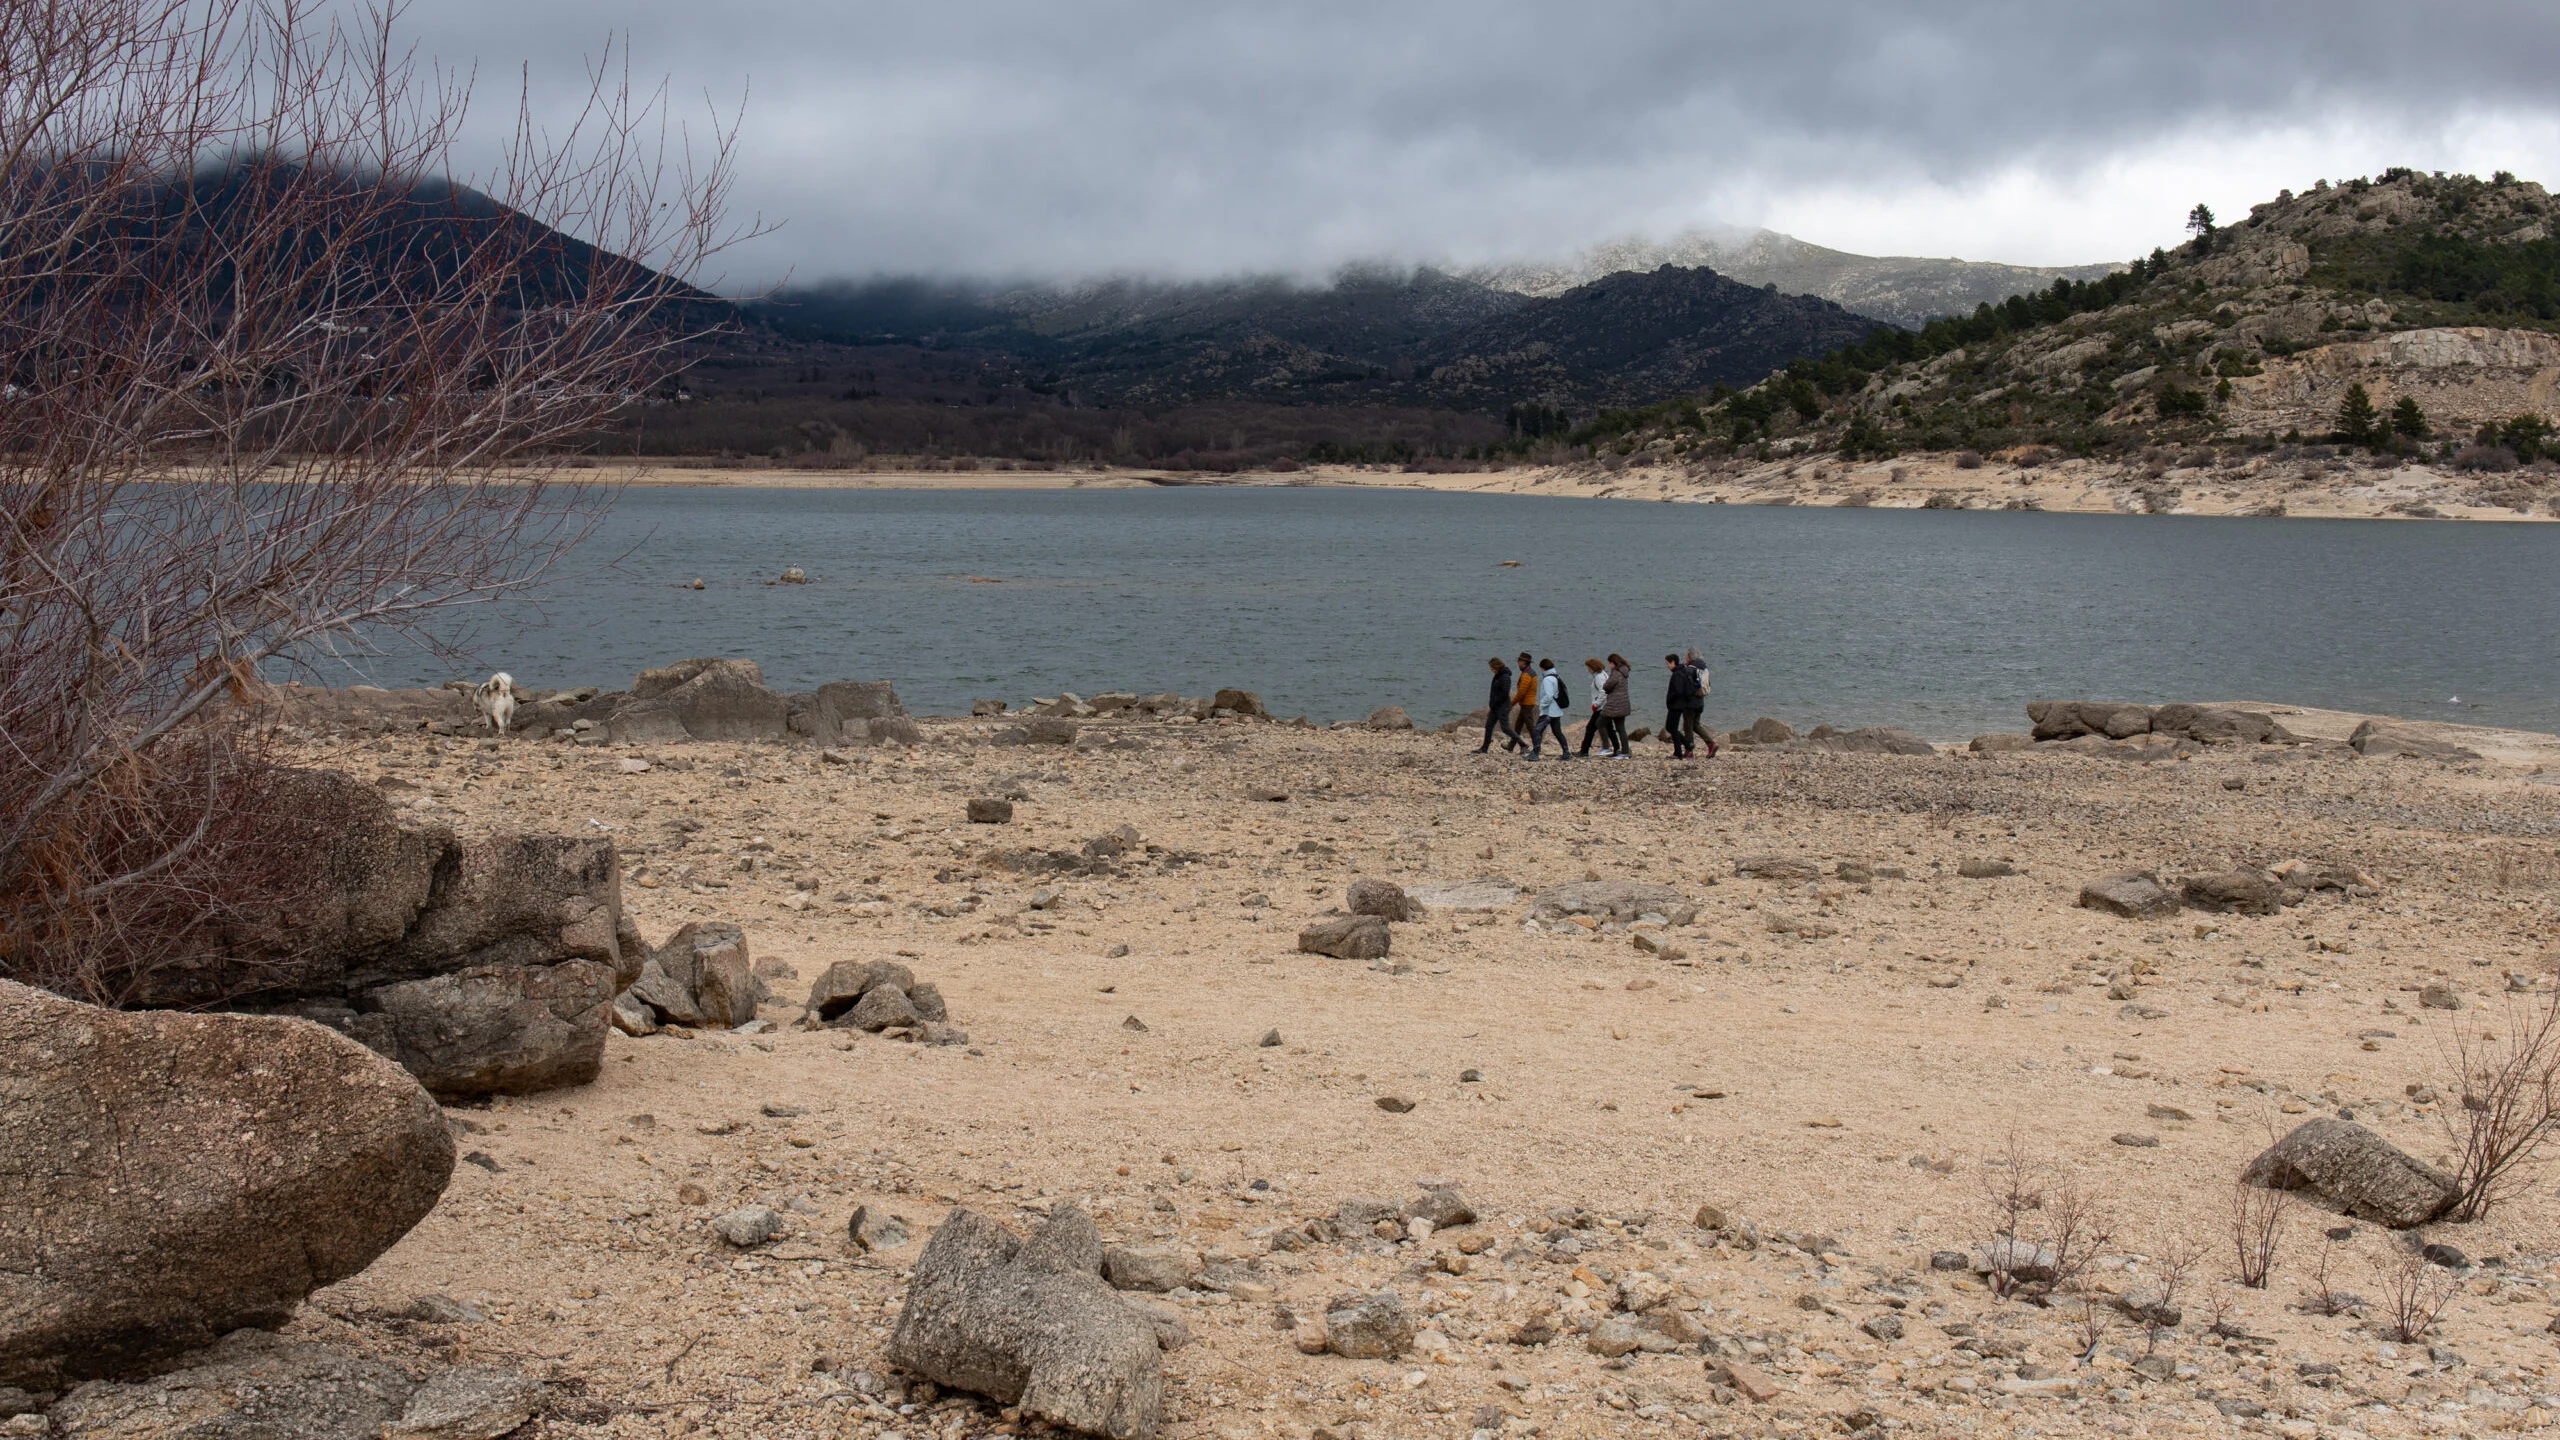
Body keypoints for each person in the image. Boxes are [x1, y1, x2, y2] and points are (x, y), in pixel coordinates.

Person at [1528, 658, 1572, 759]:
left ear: (1542, 668)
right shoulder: (1557, 677)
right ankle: (1566, 752)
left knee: (1537, 731)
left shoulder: (1547, 679)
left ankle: (1535, 753)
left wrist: (1542, 705)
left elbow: (1548, 695)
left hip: (1548, 711)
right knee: (1557, 731)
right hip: (1557, 710)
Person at [1477, 656, 1521, 753]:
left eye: (1492, 668)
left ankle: (1522, 744)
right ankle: (1484, 748)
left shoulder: (1505, 677)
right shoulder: (1497, 675)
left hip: (1502, 706)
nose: (1491, 670)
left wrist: (1496, 701)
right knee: (1489, 726)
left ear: (1497, 667)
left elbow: (1505, 693)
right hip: (1495, 707)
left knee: (1505, 728)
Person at [1664, 652, 1702, 758]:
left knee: (1671, 727)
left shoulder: (1678, 674)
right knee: (1671, 727)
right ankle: (1686, 745)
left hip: (1676, 705)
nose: (1667, 666)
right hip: (1679, 705)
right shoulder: (1682, 671)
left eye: (1667, 663)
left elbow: (1678, 691)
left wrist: (1670, 699)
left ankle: (1679, 751)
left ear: (1673, 662)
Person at [1682, 648, 1718, 758]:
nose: (1685, 658)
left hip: (1690, 702)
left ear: (1690, 657)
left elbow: (1687, 687)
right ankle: (1711, 744)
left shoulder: (1690, 669)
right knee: (1696, 725)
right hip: (1700, 701)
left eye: (1686, 656)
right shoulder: (1703, 668)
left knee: (1688, 727)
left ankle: (1690, 751)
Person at [1599, 654, 1634, 757]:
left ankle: (1606, 747)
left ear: (1614, 662)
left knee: (1600, 723)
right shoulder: (1624, 672)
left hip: (1614, 704)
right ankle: (1625, 751)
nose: (1609, 665)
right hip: (1623, 704)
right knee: (1620, 728)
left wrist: (1606, 686)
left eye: (1610, 663)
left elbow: (1607, 686)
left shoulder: (1616, 673)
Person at [1576, 657, 1609, 757]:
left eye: (1589, 667)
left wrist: (1596, 704)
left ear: (1593, 667)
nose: (1588, 669)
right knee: (1608, 728)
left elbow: (1603, 691)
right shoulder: (1603, 674)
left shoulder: (1599, 677)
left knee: (1590, 728)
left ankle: (1584, 751)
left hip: (1600, 707)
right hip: (1603, 706)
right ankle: (1613, 748)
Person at [1511, 651, 1538, 741]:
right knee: (1518, 726)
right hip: (1527, 703)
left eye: (1519, 661)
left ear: (1523, 662)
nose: (1518, 663)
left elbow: (1521, 692)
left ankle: (1537, 745)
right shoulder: (1531, 672)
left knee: (1530, 726)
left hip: (1527, 703)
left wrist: (1512, 703)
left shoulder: (1526, 675)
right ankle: (1511, 745)